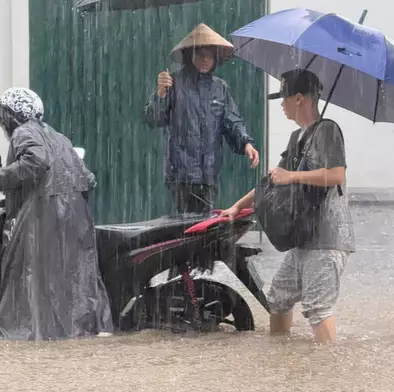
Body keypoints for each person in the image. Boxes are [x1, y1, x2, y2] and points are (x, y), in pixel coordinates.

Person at [221, 69, 355, 344]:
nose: (281, 105)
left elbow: (337, 175)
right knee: (279, 299)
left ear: (298, 99)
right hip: (302, 237)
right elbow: (271, 181)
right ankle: (282, 359)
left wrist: (292, 176)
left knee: (318, 308)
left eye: (283, 98)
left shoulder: (327, 130)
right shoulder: (298, 138)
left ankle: (326, 371)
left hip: (327, 239)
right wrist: (236, 206)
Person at [0, 87, 114, 341]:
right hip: (75, 213)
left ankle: (31, 332)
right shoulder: (58, 137)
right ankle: (81, 329)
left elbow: (36, 160)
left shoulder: (24, 132)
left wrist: (2, 177)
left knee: (30, 273)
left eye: (5, 116)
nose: (3, 123)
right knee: (74, 274)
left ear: (14, 116)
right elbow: (88, 177)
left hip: (45, 212)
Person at [144, 23, 260, 214]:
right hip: (181, 174)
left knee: (204, 225)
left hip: (209, 173)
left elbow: (232, 121)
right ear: (191, 56)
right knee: (186, 225)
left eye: (210, 55)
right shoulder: (174, 83)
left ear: (216, 58)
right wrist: (161, 94)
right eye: (201, 55)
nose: (206, 60)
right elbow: (153, 118)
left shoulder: (220, 88)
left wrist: (246, 143)